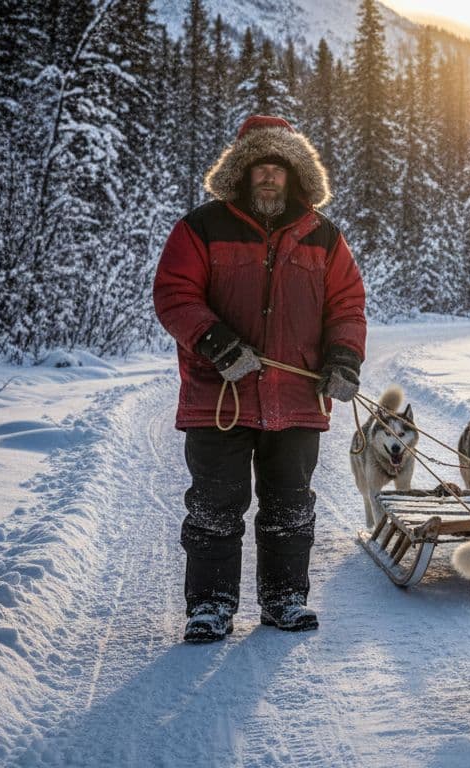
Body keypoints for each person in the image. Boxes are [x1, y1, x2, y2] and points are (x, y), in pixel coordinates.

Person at [153, 115, 366, 643]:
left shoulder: (325, 237)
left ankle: (285, 601)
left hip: (296, 400)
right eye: (260, 168)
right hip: (217, 395)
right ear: (243, 173)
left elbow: (347, 306)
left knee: (290, 507)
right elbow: (174, 295)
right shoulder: (201, 227)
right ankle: (210, 607)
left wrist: (343, 360)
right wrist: (217, 344)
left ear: (295, 176)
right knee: (214, 509)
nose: (269, 177)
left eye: (279, 168)